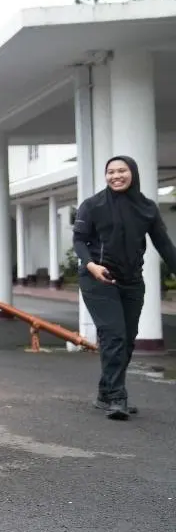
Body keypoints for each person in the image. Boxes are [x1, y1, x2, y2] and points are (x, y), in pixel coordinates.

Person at [73, 155, 176, 421]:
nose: (116, 176)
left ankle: (106, 392)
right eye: (111, 172)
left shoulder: (147, 208)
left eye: (122, 171)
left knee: (127, 339)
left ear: (133, 173)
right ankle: (117, 397)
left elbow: (164, 245)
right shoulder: (92, 205)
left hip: (132, 280)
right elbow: (80, 240)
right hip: (98, 278)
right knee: (114, 335)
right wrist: (90, 264)